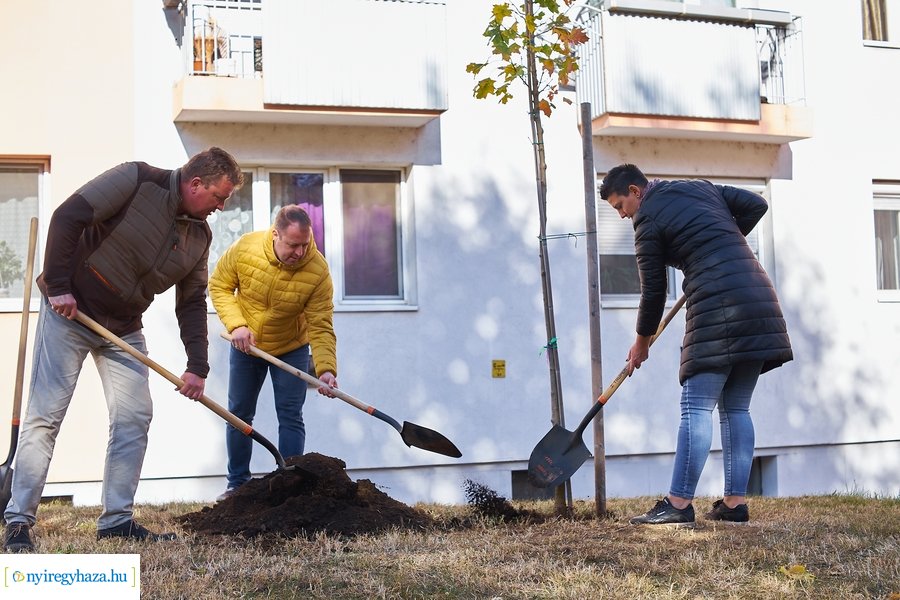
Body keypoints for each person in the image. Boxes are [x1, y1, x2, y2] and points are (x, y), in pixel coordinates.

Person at [3, 147, 243, 552]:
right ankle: (18, 521)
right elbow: (68, 215)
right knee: (46, 416)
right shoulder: (137, 180)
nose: (220, 207)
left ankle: (116, 521)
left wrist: (197, 366)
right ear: (196, 183)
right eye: (219, 198)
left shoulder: (199, 235)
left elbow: (191, 301)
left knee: (134, 417)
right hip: (71, 313)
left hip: (124, 327)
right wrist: (59, 285)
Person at [599, 163, 792, 527]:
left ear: (636, 192)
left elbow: (653, 292)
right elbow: (755, 205)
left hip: (720, 306)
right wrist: (715, 251)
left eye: (620, 206)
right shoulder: (700, 187)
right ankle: (734, 504)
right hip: (758, 298)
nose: (622, 216)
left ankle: (678, 503)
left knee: (695, 407)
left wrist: (641, 343)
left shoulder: (647, 222)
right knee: (736, 407)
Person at [208, 205, 338, 501]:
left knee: (290, 415)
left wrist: (326, 368)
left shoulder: (317, 270)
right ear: (275, 234)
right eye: (293, 245)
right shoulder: (246, 248)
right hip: (246, 345)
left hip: (291, 348)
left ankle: (289, 487)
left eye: (305, 244)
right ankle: (237, 484)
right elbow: (220, 286)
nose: (300, 252)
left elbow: (320, 325)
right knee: (239, 414)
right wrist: (236, 325)